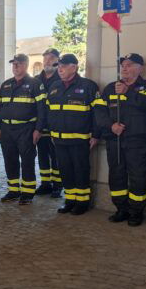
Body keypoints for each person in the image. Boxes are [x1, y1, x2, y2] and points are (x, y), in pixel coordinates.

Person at [94, 53, 146, 226]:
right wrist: (111, 126)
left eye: (129, 64)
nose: (124, 68)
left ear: (140, 68)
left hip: (138, 142)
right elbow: (99, 113)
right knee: (116, 176)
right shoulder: (110, 88)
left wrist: (128, 91)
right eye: (122, 65)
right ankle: (121, 209)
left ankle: (136, 212)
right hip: (114, 140)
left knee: (138, 177)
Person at [46, 54, 100, 215]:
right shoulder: (55, 86)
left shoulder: (88, 86)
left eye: (63, 66)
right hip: (59, 139)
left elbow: (98, 113)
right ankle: (69, 200)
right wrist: (51, 132)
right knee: (65, 171)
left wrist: (96, 135)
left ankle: (82, 203)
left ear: (74, 67)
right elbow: (49, 111)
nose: (59, 69)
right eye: (58, 66)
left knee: (80, 170)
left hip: (80, 139)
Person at [0, 54, 46, 205]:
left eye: (18, 64)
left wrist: (38, 129)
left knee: (27, 161)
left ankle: (28, 193)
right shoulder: (5, 84)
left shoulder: (35, 84)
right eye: (13, 64)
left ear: (25, 65)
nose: (15, 66)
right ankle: (13, 190)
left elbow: (42, 109)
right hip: (6, 129)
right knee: (9, 160)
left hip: (26, 128)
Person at [36, 48, 62, 197]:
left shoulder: (61, 80)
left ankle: (58, 185)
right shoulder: (36, 80)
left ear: (58, 60)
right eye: (45, 57)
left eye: (51, 58)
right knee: (42, 155)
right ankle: (45, 183)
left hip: (55, 125)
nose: (47, 60)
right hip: (40, 125)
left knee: (56, 156)